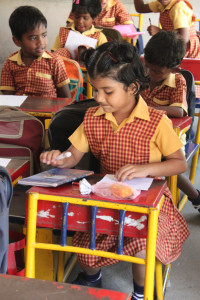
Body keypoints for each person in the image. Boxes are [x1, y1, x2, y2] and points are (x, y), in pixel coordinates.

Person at [40, 40, 189, 300]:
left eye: (107, 91)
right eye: (95, 90)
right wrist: (58, 158)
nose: (98, 98)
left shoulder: (156, 121)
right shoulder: (93, 118)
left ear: (132, 88)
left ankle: (140, 293)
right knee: (83, 245)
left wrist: (145, 169)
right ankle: (91, 277)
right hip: (106, 197)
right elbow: (73, 156)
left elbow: (179, 163)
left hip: (149, 202)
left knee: (142, 248)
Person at [142, 30, 200, 213]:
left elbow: (178, 110)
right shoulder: (142, 76)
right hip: (142, 131)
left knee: (163, 161)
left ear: (174, 69)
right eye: (148, 67)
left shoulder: (178, 80)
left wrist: (145, 111)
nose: (150, 73)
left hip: (172, 136)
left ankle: (196, 196)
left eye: (157, 71)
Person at [0, 6, 70, 98]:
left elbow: (65, 99)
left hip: (49, 112)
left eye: (44, 35)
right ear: (17, 41)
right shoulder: (10, 63)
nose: (41, 42)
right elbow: (7, 99)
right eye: (33, 38)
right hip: (18, 111)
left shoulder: (55, 62)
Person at [133, 0, 200, 58]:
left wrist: (159, 32)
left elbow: (184, 38)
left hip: (186, 50)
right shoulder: (161, 3)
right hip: (173, 45)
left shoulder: (178, 7)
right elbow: (140, 8)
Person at [67, 0, 133, 28]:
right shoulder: (83, 3)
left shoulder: (116, 4)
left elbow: (129, 26)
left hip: (111, 43)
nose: (103, 0)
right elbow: (69, 25)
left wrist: (105, 30)